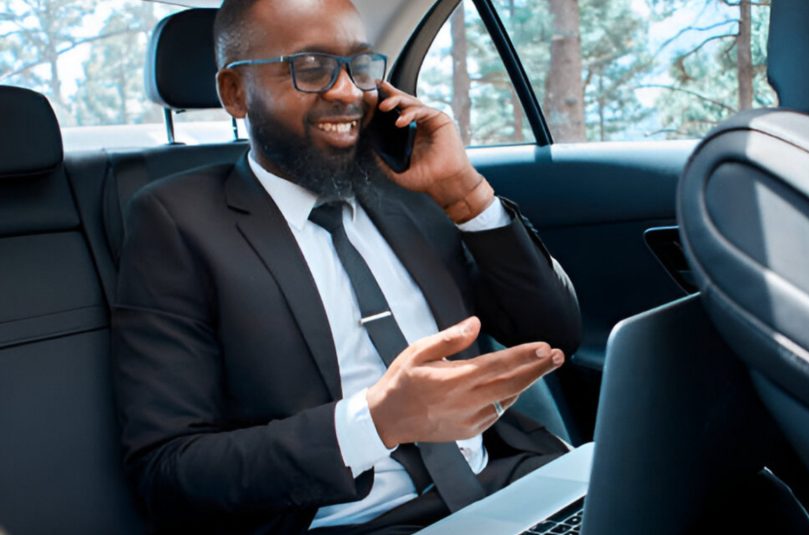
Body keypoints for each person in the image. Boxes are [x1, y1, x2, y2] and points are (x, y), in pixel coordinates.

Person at [111, 0, 582, 533]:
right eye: (310, 68)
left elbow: (554, 334)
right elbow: (168, 472)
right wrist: (377, 422)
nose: (346, 92)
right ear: (235, 93)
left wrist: (465, 193)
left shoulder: (410, 190)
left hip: (508, 483)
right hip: (358, 522)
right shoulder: (176, 221)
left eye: (358, 67)